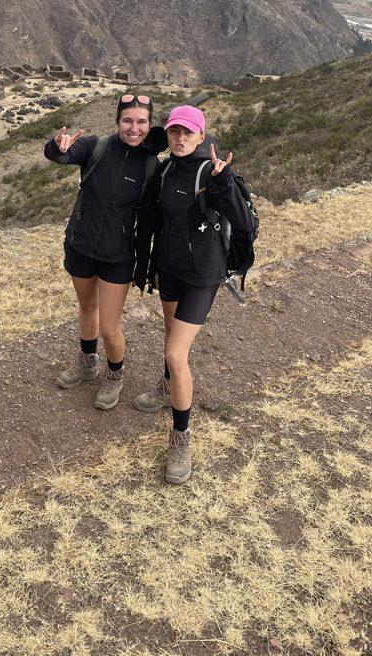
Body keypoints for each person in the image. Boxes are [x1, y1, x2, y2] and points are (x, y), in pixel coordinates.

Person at [133, 105, 253, 485]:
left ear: (202, 136)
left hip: (202, 276)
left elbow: (245, 222)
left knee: (174, 351)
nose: (180, 139)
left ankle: (181, 435)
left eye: (187, 132)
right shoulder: (167, 170)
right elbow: (156, 224)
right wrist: (148, 265)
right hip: (169, 270)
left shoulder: (211, 172)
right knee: (170, 335)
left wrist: (224, 184)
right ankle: (169, 386)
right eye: (174, 132)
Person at [44, 94, 167, 410]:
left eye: (141, 122)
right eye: (128, 120)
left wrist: (142, 269)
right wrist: (57, 146)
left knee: (110, 327)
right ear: (117, 122)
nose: (134, 128)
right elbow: (61, 156)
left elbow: (148, 223)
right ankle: (87, 362)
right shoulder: (95, 147)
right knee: (87, 308)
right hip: (81, 246)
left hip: (118, 256)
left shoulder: (152, 167)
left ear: (149, 124)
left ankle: (115, 373)